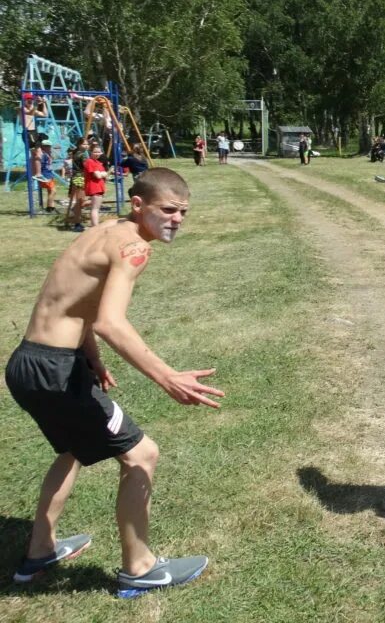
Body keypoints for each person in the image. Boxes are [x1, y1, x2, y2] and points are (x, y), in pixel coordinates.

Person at [5, 169, 222, 597]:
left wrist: (92, 361)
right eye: (168, 210)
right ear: (138, 204)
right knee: (142, 454)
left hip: (28, 364)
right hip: (55, 370)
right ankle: (139, 569)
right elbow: (109, 321)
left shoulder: (103, 230)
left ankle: (40, 551)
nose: (176, 219)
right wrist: (167, 376)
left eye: (183, 212)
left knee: (72, 451)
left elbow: (78, 304)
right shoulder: (133, 246)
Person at [82, 144, 108, 228]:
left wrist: (103, 174)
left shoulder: (98, 163)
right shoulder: (90, 162)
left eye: (99, 152)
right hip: (94, 187)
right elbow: (98, 176)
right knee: (95, 208)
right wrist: (103, 174)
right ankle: (95, 227)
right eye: (95, 152)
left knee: (96, 207)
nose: (97, 153)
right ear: (91, 152)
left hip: (99, 187)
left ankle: (95, 226)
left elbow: (104, 174)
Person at [36, 141, 58, 213]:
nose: (49, 148)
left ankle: (52, 206)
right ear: (43, 147)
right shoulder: (43, 155)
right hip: (46, 175)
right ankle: (48, 207)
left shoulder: (48, 154)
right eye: (47, 146)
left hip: (50, 174)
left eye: (49, 146)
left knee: (50, 191)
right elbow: (40, 164)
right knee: (53, 191)